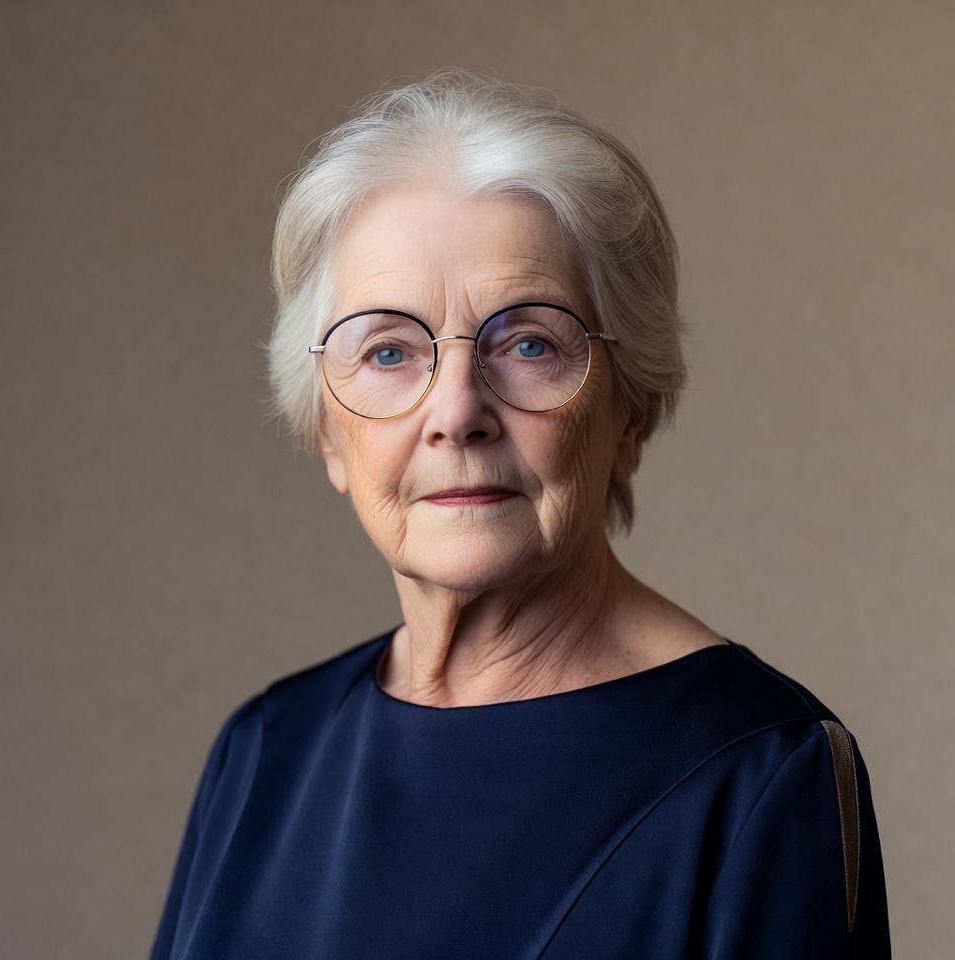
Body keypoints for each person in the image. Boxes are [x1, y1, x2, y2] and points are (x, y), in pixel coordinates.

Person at [151, 69, 890, 959]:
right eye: (388, 350)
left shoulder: (763, 773)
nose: (456, 411)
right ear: (328, 434)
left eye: (530, 342)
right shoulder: (266, 750)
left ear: (630, 412)